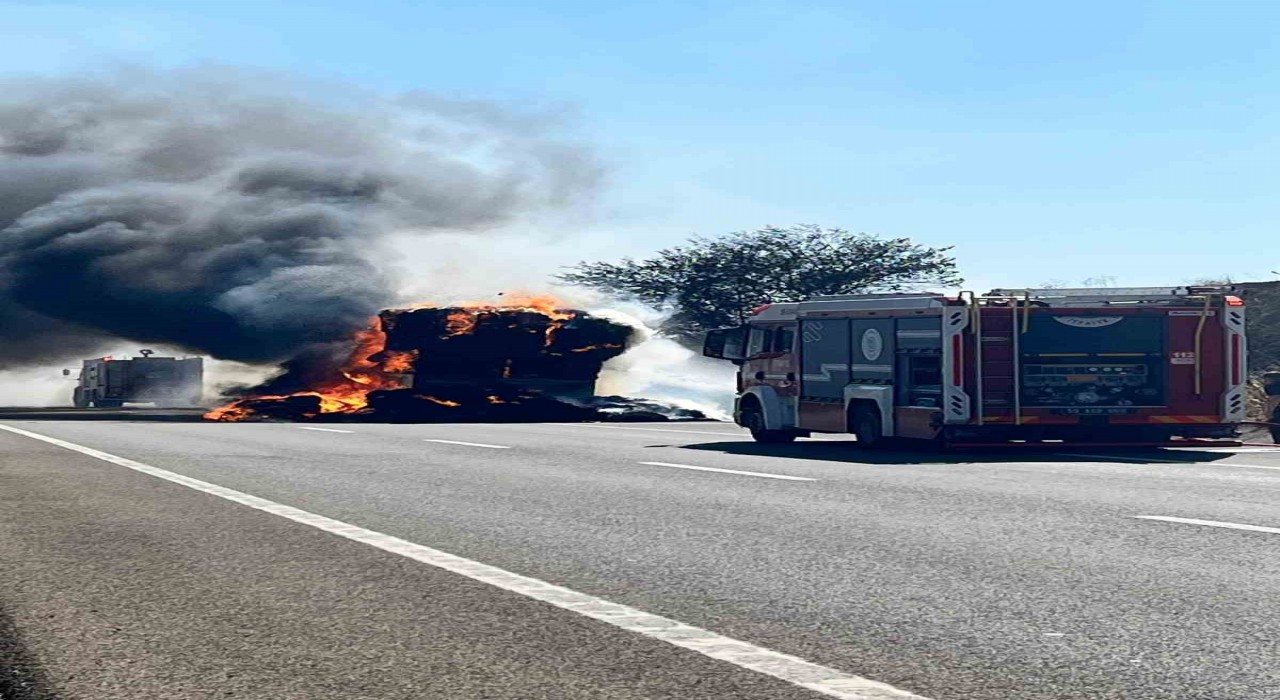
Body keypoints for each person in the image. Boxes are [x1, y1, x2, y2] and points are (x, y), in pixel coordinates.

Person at [1264, 372, 1280, 443]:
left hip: (1277, 412)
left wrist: (1269, 412)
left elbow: (1275, 399)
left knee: (1275, 428)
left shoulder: (1273, 387)